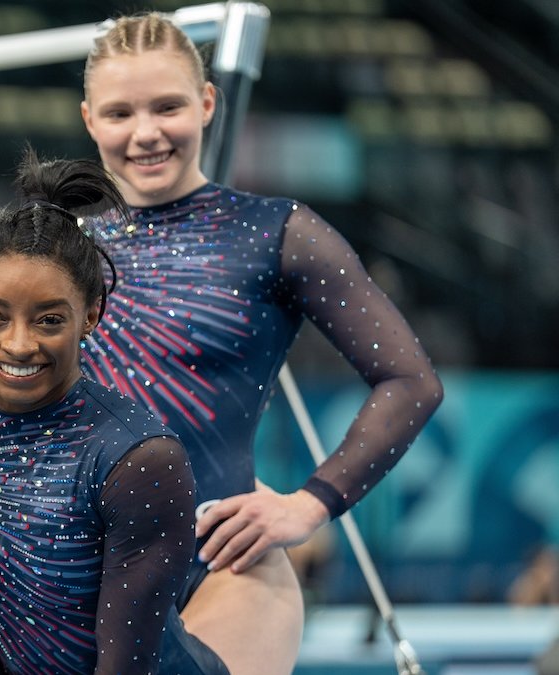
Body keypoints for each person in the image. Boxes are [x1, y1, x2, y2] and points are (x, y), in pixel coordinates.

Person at [78, 13, 445, 674]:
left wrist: (312, 501)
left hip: (227, 562)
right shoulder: (59, 251)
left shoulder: (275, 232)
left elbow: (411, 379)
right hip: (82, 568)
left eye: (168, 106)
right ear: (88, 119)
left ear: (208, 103)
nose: (146, 132)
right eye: (120, 112)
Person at [0, 152, 226, 674]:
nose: (18, 344)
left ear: (92, 315)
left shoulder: (138, 459)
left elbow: (127, 666)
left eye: (49, 320)